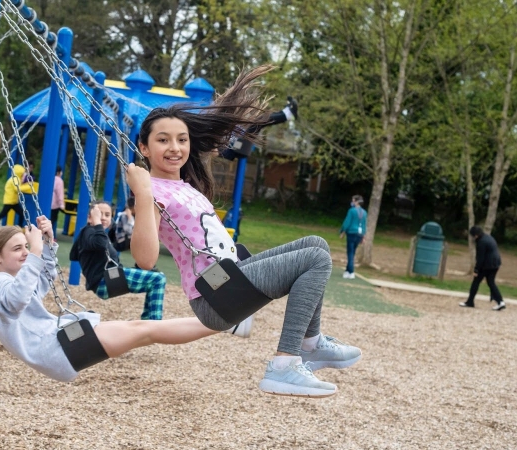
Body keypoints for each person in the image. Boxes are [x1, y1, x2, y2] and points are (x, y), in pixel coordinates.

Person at [126, 65, 361, 398]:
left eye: (182, 139)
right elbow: (145, 259)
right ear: (144, 147)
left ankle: (311, 342)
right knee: (314, 260)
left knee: (317, 245)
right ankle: (285, 364)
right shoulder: (151, 191)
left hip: (231, 276)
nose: (175, 147)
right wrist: (143, 191)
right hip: (214, 294)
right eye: (162, 140)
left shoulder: (184, 185)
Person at [0, 223, 241, 383]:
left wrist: (45, 245)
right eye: (17, 249)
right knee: (145, 329)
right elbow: (16, 302)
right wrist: (35, 252)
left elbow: (41, 282)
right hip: (56, 348)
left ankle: (226, 321)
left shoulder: (8, 281)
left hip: (58, 348)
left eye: (25, 246)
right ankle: (228, 319)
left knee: (146, 331)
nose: (24, 252)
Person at [69, 202, 166, 320]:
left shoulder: (98, 234)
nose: (103, 218)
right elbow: (99, 244)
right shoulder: (89, 231)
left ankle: (148, 321)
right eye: (99, 214)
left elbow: (74, 255)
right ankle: (154, 321)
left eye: (107, 215)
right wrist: (97, 223)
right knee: (158, 279)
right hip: (105, 280)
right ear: (90, 217)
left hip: (109, 278)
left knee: (154, 280)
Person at [459, 226, 506, 311]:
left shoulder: (481, 242)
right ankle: (500, 301)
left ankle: (470, 301)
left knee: (476, 282)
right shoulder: (488, 237)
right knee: (491, 282)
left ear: (476, 235)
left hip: (487, 264)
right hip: (496, 263)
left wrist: (476, 270)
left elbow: (480, 258)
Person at [0, 164, 28, 233]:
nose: (23, 176)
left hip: (13, 201)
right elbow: (17, 189)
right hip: (10, 201)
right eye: (22, 174)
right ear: (19, 173)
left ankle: (20, 227)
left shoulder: (16, 178)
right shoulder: (15, 178)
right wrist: (28, 186)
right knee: (2, 214)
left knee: (21, 213)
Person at [339, 195, 367, 279]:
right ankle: (347, 270)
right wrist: (363, 236)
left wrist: (342, 231)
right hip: (359, 234)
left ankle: (351, 271)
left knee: (350, 252)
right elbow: (364, 225)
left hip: (351, 233)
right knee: (353, 252)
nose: (352, 202)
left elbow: (347, 222)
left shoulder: (351, 211)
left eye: (353, 200)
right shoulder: (364, 212)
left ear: (356, 202)